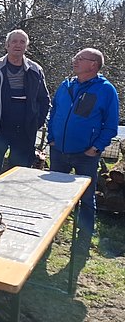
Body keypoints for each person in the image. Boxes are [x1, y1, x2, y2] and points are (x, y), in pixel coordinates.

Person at [47, 48, 119, 251]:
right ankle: (49, 234)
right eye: (75, 57)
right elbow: (54, 112)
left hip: (85, 155)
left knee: (86, 198)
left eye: (80, 58)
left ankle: (84, 240)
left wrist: (96, 148)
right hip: (58, 151)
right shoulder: (66, 85)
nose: (75, 61)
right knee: (54, 195)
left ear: (93, 64)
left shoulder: (105, 90)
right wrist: (51, 138)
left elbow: (110, 125)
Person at [0, 29, 50, 183]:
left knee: (19, 172)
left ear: (26, 46)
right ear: (7, 45)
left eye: (22, 42)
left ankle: (13, 198)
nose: (18, 45)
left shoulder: (36, 70)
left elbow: (44, 100)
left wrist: (36, 123)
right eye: (14, 41)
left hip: (24, 129)